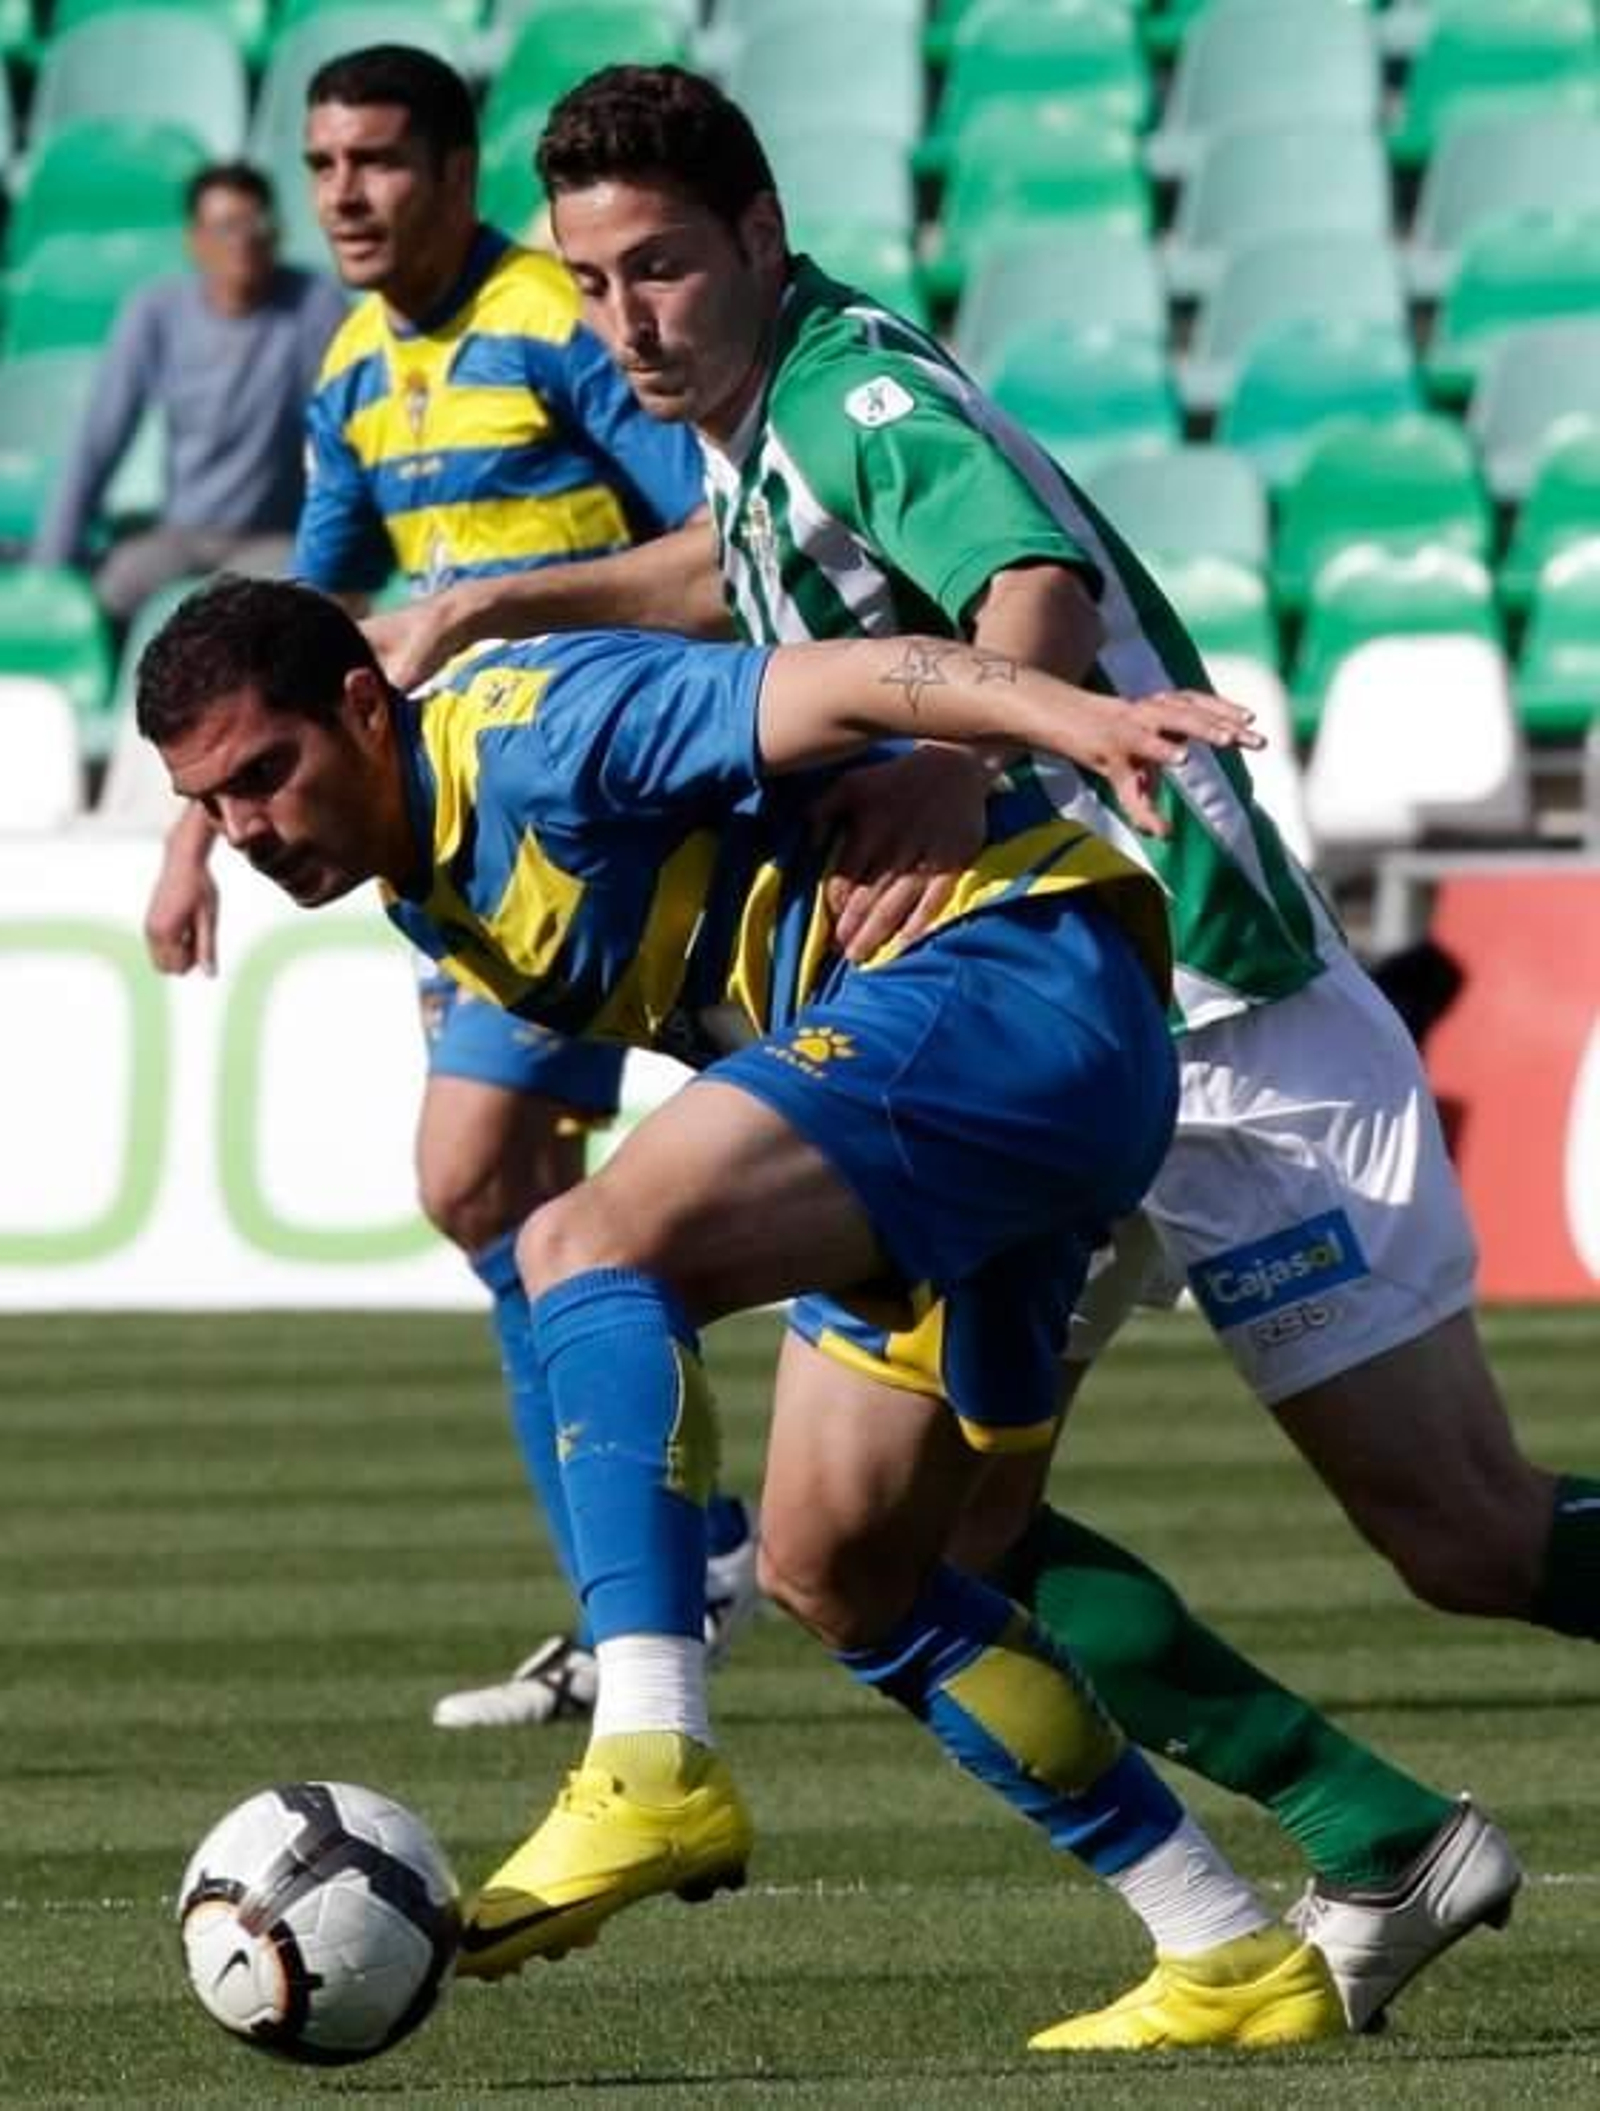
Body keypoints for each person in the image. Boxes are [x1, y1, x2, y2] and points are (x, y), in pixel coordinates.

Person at [373, 64, 1538, 2037]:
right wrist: (502, 589)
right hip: (1014, 1014)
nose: (625, 318)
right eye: (588, 284)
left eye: (660, 264)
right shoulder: (747, 428)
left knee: (1462, 1535)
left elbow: (1031, 588)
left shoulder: (850, 392)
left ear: (759, 237)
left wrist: (948, 744)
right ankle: (1367, 1831)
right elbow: (721, 582)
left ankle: (1359, 1835)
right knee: (903, 1533)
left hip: (1204, 1004)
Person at [137, 570, 1351, 2053]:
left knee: (584, 1242)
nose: (250, 826)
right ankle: (1227, 1943)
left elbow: (845, 677)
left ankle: (648, 1745)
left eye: (267, 774)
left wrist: (1068, 717)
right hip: (937, 1076)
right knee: (847, 1568)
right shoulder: (428, 893)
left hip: (1014, 982)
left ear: (359, 706)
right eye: (215, 802)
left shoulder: (534, 726)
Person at [139, 45, 758, 1736]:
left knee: (489, 1182)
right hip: (472, 827)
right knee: (497, 1196)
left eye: (385, 161)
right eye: (325, 161)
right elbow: (298, 609)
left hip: (604, 790)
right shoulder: (350, 364)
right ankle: (667, 1561)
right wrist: (198, 828)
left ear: (463, 168)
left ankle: (688, 1556)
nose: (345, 194)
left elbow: (712, 537)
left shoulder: (561, 322)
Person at [32, 163, 347, 625]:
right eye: (224, 227)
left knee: (303, 605)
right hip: (179, 535)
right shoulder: (155, 312)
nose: (242, 240)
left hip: (271, 540)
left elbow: (349, 427)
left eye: (254, 224)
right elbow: (99, 440)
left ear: (276, 233)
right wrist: (51, 567)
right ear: (194, 240)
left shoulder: (313, 303)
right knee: (100, 599)